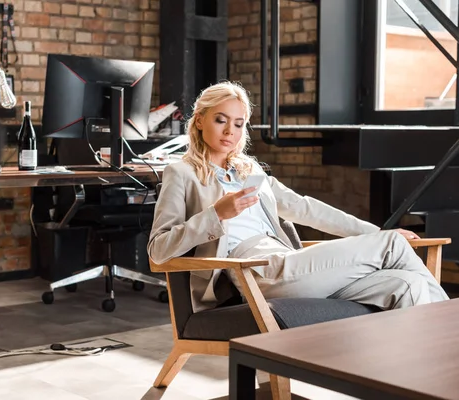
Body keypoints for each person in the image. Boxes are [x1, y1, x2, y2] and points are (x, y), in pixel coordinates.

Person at [147, 81, 449, 313]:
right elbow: (158, 250)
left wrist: (377, 233)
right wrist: (216, 215)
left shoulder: (249, 171)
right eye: (220, 120)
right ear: (199, 120)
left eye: (238, 124)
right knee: (392, 245)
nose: (230, 131)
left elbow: (306, 209)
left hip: (289, 262)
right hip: (256, 272)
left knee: (410, 284)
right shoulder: (182, 173)